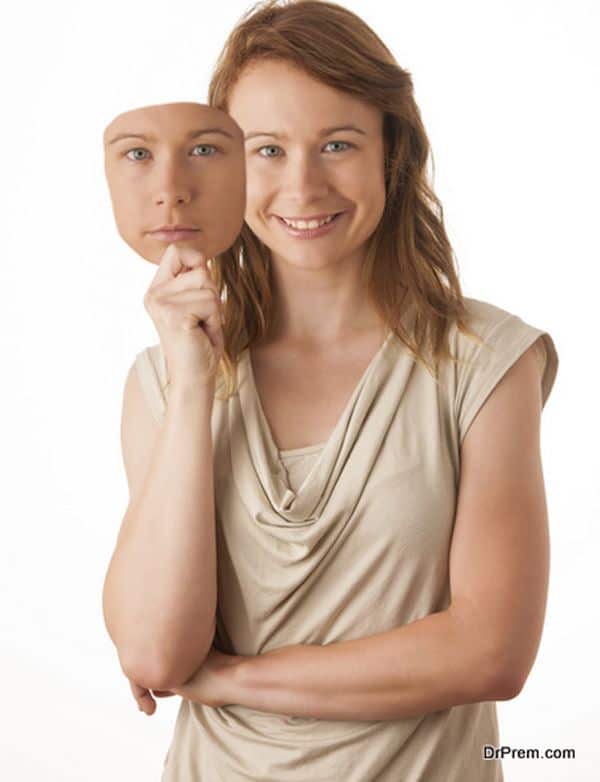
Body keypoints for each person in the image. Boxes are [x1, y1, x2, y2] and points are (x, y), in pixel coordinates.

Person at [111, 1, 559, 780]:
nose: (302, 185)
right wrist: (192, 383)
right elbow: (154, 650)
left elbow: (492, 652)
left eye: (338, 144)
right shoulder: (161, 382)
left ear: (392, 152)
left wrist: (229, 680)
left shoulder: (484, 361)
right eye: (266, 150)